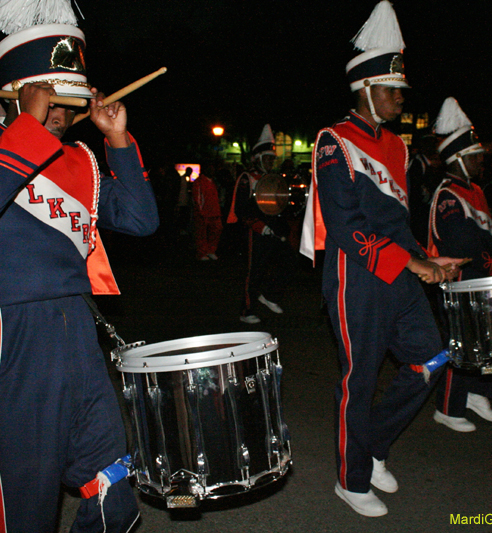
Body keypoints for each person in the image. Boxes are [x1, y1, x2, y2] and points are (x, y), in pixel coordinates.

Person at [0, 23, 159, 532]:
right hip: (15, 336)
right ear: (19, 95)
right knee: (28, 505)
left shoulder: (80, 160)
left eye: (71, 100)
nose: (63, 111)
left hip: (80, 338)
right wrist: (30, 126)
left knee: (113, 486)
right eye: (52, 98)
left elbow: (142, 220)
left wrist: (118, 138)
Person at [300, 1, 465, 517]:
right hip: (356, 279)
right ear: (366, 89)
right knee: (361, 378)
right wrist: (412, 264)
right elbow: (348, 230)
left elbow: (399, 224)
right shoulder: (334, 141)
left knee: (432, 358)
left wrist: (431, 259)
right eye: (393, 89)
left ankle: (371, 447)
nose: (399, 97)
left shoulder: (397, 146)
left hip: (399, 275)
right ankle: (351, 480)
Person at [427, 97, 492, 432]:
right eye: (475, 155)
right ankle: (448, 407)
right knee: (461, 344)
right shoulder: (449, 195)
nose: (482, 160)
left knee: (489, 340)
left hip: (481, 278)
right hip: (460, 282)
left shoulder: (473, 189)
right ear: (460, 159)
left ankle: (478, 392)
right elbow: (463, 246)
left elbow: (487, 235)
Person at [227, 125, 296, 324]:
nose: (271, 161)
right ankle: (246, 310)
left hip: (273, 230)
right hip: (254, 233)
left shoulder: (272, 179)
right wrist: (259, 227)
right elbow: (241, 210)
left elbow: (278, 206)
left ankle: (270, 295)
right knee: (254, 271)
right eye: (268, 158)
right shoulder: (247, 179)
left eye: (273, 158)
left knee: (289, 262)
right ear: (258, 159)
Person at [192, 165, 223, 260]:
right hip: (204, 212)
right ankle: (202, 253)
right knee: (202, 233)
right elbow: (198, 198)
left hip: (214, 212)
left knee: (216, 231)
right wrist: (201, 211)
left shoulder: (212, 182)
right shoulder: (200, 182)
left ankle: (210, 250)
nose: (212, 170)